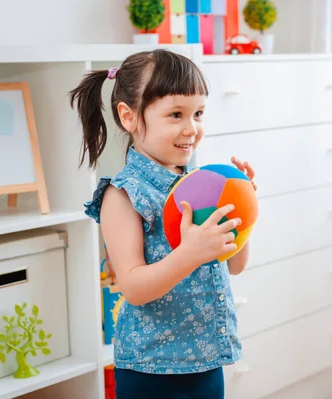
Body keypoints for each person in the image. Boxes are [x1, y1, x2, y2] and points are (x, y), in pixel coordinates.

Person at [69, 49, 256, 399]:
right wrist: (190, 253)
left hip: (206, 359)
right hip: (151, 367)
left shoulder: (201, 185)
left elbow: (236, 265)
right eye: (176, 114)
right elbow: (134, 287)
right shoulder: (123, 194)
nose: (192, 128)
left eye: (199, 113)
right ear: (129, 117)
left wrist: (241, 211)